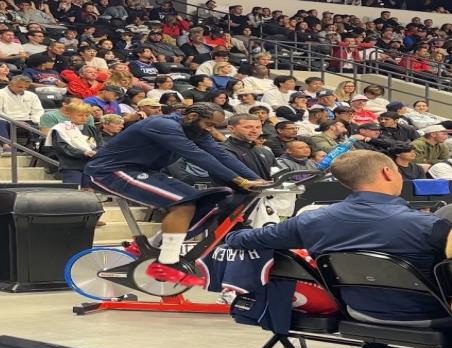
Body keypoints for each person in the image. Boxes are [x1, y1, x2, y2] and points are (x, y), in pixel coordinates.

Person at [226, 150, 452, 326]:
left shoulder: (309, 220)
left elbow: (240, 239)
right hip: (431, 313)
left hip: (357, 310)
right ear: (387, 172)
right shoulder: (429, 225)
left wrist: (236, 234)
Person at [84, 103, 265, 286]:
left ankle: (149, 246)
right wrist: (239, 180)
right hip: (109, 171)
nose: (210, 130)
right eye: (209, 124)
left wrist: (258, 180)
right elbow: (197, 156)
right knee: (184, 204)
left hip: (143, 171)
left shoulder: (197, 130)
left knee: (206, 202)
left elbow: (220, 154)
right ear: (192, 117)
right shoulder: (162, 125)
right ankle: (165, 264)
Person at [0, 75, 44, 156]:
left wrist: (34, 121)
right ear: (11, 84)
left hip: (26, 121)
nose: (23, 89)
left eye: (25, 87)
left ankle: (32, 147)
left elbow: (38, 111)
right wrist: (14, 122)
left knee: (39, 124)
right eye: (20, 87)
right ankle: (6, 147)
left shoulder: (32, 95)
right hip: (4, 120)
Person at [46, 102, 102, 185]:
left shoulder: (92, 129)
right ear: (69, 114)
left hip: (92, 167)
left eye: (87, 115)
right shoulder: (60, 129)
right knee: (75, 191)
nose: (84, 118)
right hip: (71, 167)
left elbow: (101, 145)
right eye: (80, 115)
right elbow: (62, 147)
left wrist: (96, 152)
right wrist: (84, 153)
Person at [221, 114, 276, 180]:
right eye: (248, 127)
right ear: (231, 128)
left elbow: (278, 176)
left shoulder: (266, 152)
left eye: (258, 127)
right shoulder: (222, 151)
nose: (254, 131)